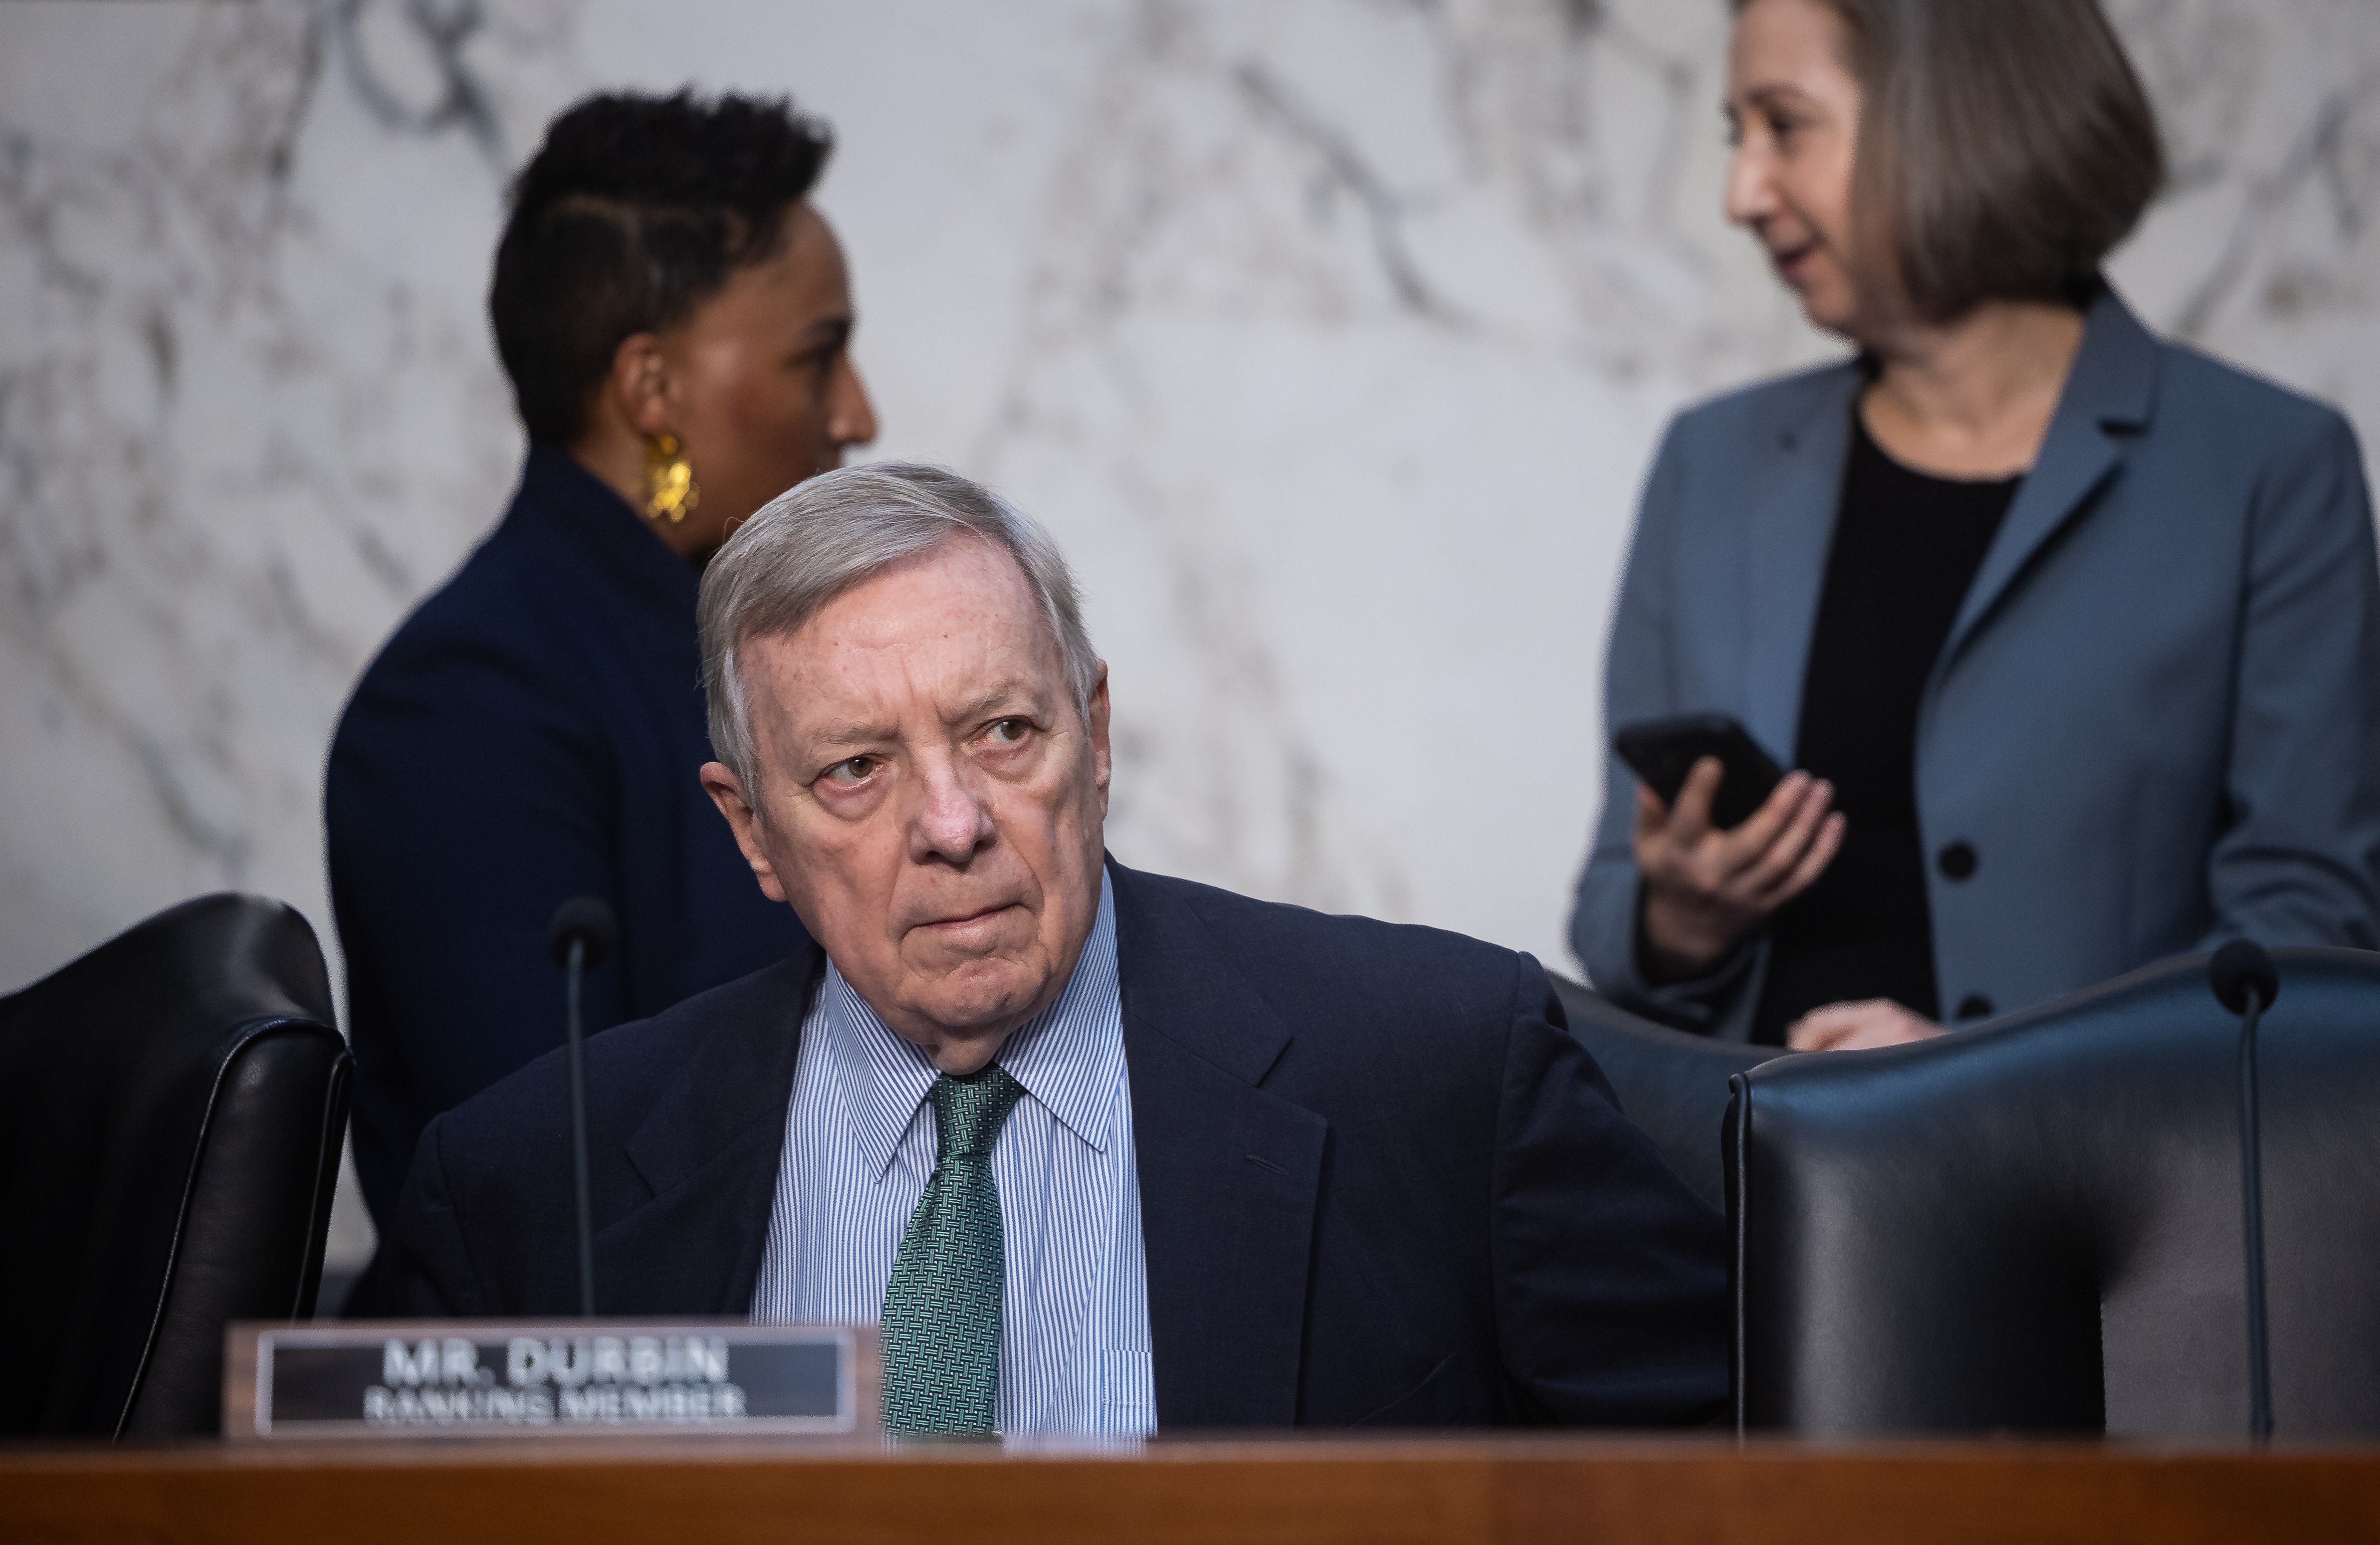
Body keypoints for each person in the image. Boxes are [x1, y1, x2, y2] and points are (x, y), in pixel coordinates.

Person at [361, 463, 1725, 1436]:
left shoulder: (1439, 1070)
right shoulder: (535, 1189)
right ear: (752, 829)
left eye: (1003, 732)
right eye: (854, 769)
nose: (952, 823)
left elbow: (1756, 1486)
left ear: (1098, 734)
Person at [1569, 0, 2380, 1051]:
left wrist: (1985, 1087)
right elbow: (1613, 913)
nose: (1740, 193)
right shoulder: (1710, 463)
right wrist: (1680, 914)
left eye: (1784, 126)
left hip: (2100, 1213)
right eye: (1732, 134)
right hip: (1740, 1194)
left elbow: (2310, 935)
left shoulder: (2270, 469)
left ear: (1951, 121)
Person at [328, 91, 879, 1243]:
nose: (858, 413)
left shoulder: (740, 650)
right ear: (652, 392)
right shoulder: (467, 703)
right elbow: (548, 1184)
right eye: (817, 355)